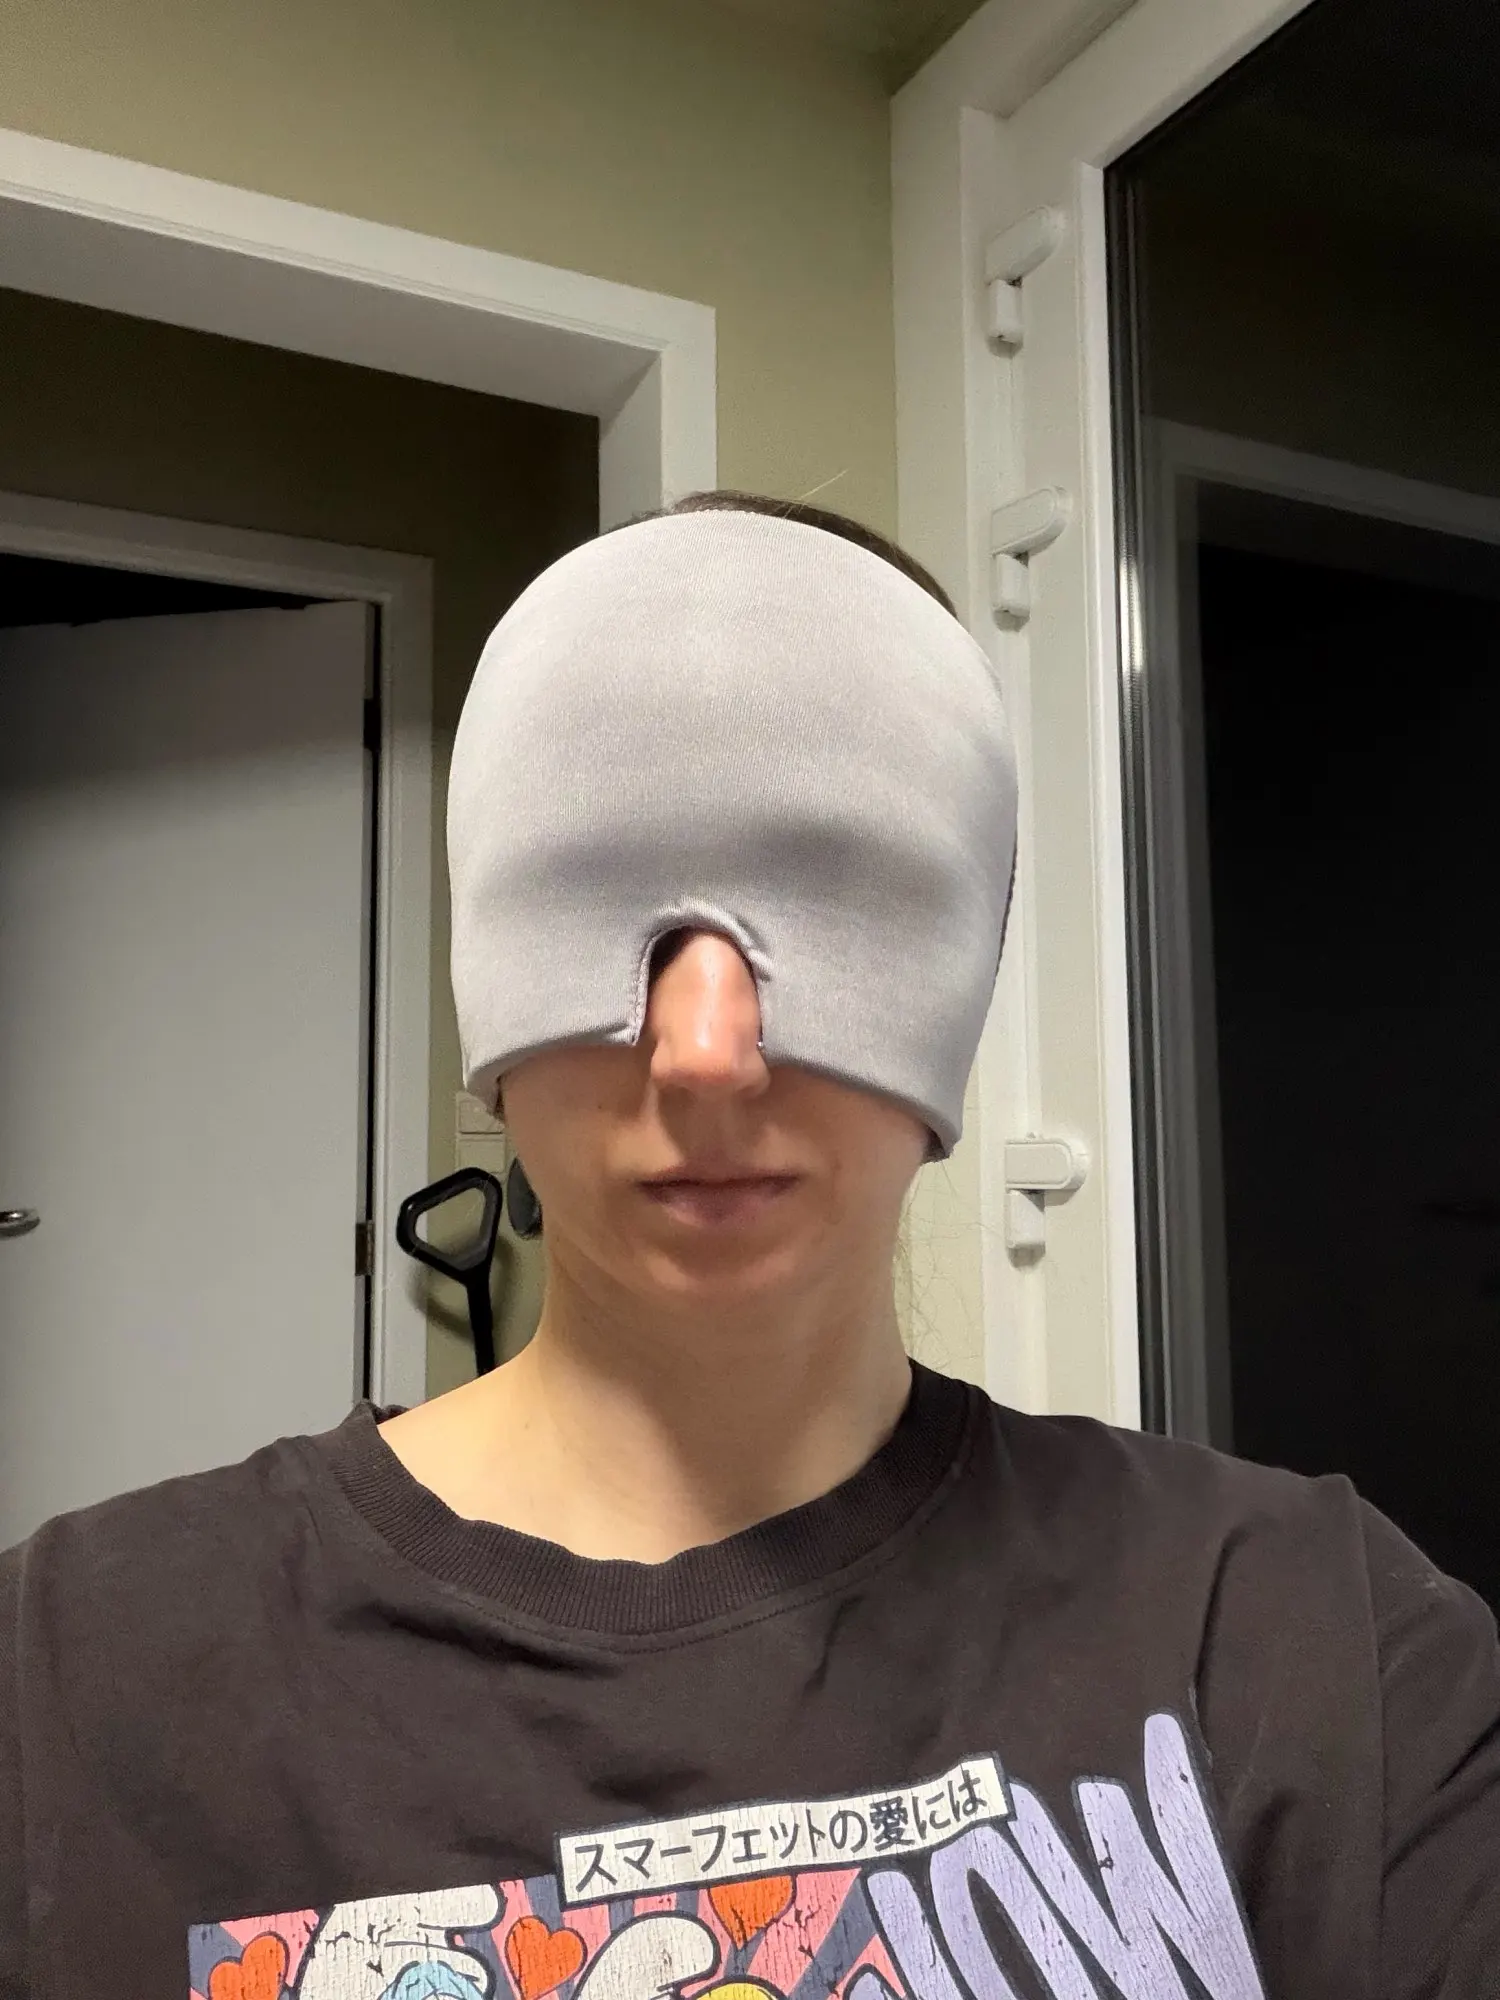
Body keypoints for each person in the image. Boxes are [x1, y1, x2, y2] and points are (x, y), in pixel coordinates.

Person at [2, 491, 1497, 2000]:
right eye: (596, 891)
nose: (706, 1052)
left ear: (972, 963)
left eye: (837, 893)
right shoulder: (61, 1680)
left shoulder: (1316, 1645)